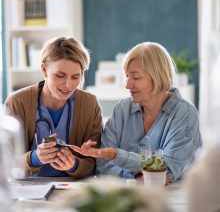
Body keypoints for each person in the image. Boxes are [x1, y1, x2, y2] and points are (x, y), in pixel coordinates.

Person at [71, 42, 202, 183]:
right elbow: (103, 165)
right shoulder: (122, 109)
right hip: (125, 196)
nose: (127, 85)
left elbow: (169, 168)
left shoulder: (185, 113)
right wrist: (137, 177)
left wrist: (117, 156)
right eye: (127, 76)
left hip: (173, 198)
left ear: (157, 76)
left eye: (136, 77)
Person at [4, 36, 102, 178]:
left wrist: (74, 164)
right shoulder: (17, 103)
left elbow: (97, 163)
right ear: (44, 69)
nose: (68, 85)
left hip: (72, 190)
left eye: (75, 77)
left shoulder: (89, 104)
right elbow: (5, 163)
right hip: (28, 190)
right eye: (60, 75)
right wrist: (34, 158)